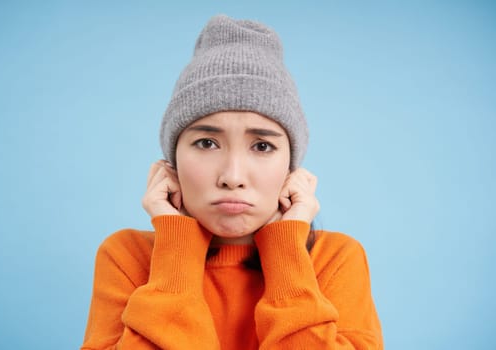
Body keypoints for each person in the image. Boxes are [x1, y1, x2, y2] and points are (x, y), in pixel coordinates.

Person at [81, 14, 383, 349]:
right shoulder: (127, 257)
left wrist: (285, 249)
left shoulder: (335, 259)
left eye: (262, 146)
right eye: (207, 143)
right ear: (173, 162)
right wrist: (177, 253)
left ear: (291, 169)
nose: (233, 177)